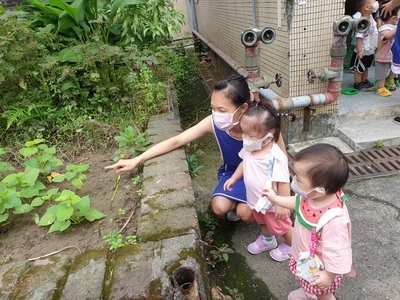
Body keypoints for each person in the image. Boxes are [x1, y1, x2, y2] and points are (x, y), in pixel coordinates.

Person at [105, 75, 287, 222]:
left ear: (242, 108)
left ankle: (245, 210)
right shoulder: (214, 123)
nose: (216, 114)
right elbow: (177, 141)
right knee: (218, 208)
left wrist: (283, 199)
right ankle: (237, 204)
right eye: (213, 108)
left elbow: (283, 161)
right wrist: (137, 159)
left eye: (222, 110)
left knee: (246, 213)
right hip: (232, 174)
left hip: (260, 178)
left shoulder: (265, 127)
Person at [262, 144, 353, 300]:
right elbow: (297, 202)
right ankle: (309, 293)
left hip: (322, 267)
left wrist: (329, 275)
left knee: (324, 294)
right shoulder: (312, 196)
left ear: (319, 191)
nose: (294, 180)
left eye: (298, 179)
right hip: (306, 257)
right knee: (307, 280)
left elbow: (338, 250)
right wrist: (275, 198)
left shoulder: (333, 219)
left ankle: (317, 294)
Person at [223, 100, 293, 261]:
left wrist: (283, 205)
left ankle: (293, 246)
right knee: (262, 221)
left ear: (268, 138)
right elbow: (243, 162)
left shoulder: (275, 157)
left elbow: (283, 182)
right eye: (244, 133)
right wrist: (234, 177)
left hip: (274, 204)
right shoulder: (250, 147)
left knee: (283, 227)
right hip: (256, 200)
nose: (245, 138)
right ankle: (268, 240)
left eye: (250, 135)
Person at [350, 0, 379, 91]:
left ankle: (364, 80)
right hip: (362, 50)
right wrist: (359, 50)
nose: (376, 3)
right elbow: (359, 38)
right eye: (373, 1)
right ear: (366, 7)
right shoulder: (362, 22)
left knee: (366, 67)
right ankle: (358, 83)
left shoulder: (371, 17)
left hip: (370, 49)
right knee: (359, 69)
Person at [374, 0, 399, 96]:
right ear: (393, 18)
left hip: (391, 55)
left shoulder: (393, 26)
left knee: (395, 68)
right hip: (382, 57)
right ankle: (380, 87)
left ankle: (389, 80)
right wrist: (398, 28)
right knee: (382, 73)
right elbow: (387, 36)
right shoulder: (384, 28)